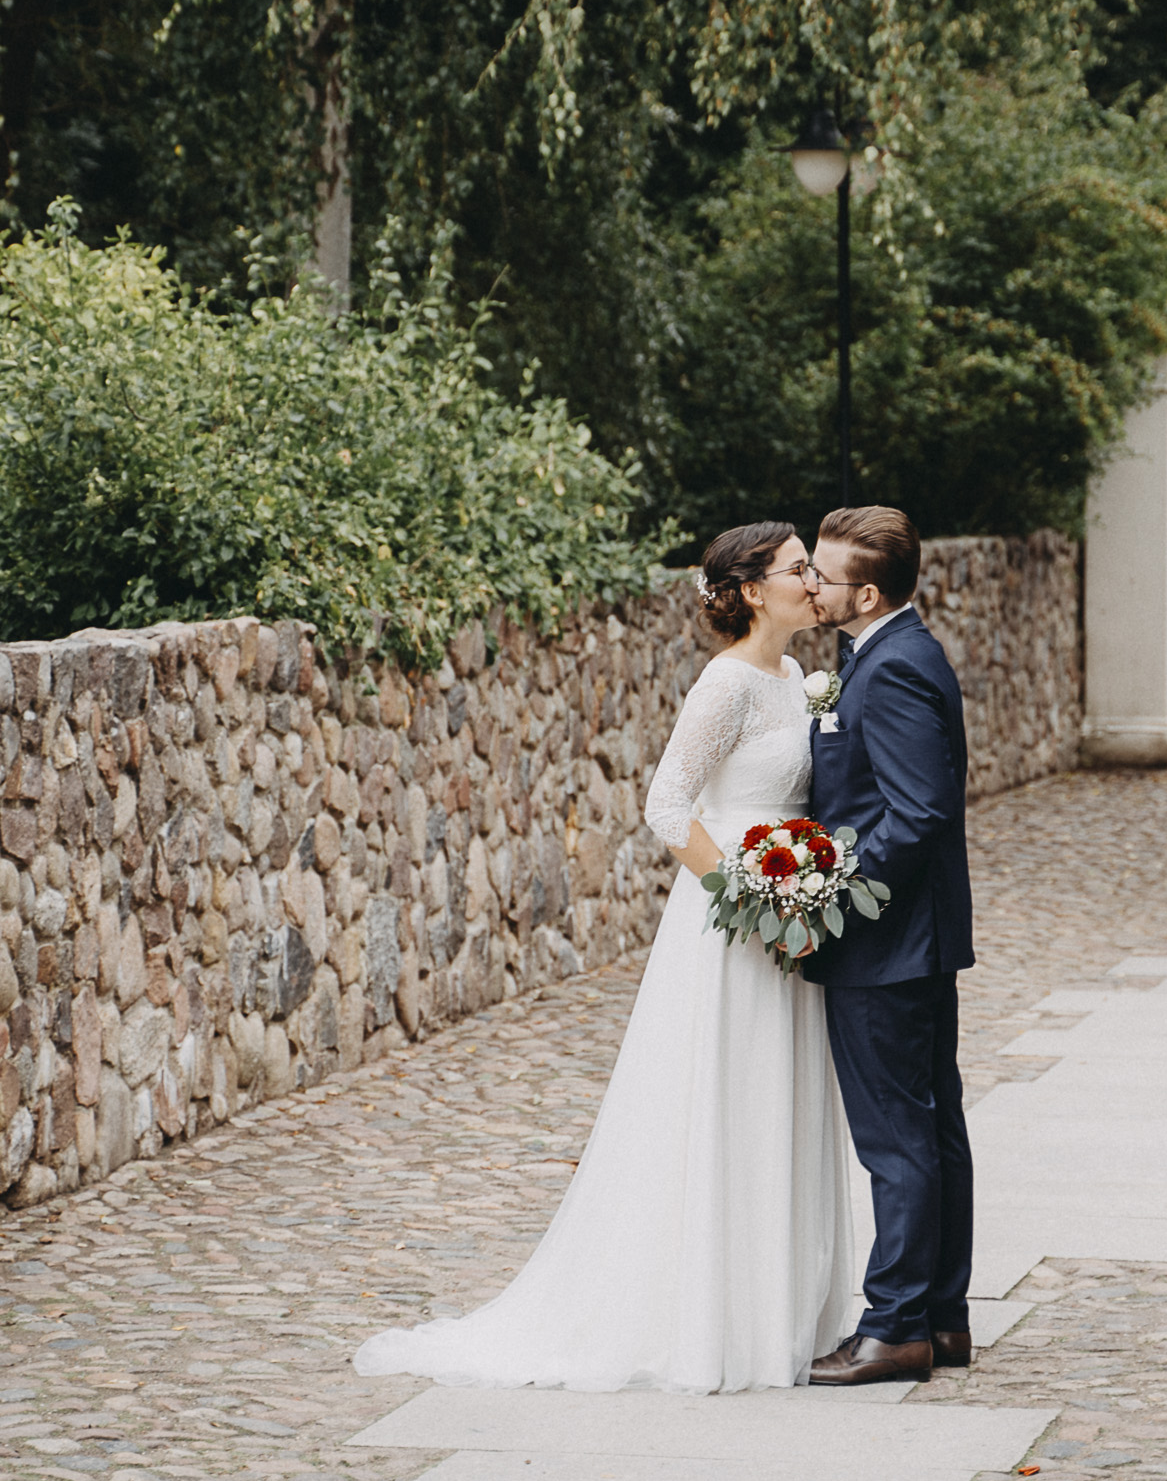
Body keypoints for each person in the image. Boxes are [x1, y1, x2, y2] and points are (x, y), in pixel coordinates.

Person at [351, 524, 862, 1393]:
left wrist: (807, 893)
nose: (812, 578)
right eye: (796, 568)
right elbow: (667, 807)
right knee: (721, 1100)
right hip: (733, 921)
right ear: (748, 591)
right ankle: (702, 1317)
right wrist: (752, 901)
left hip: (793, 911)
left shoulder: (797, 682)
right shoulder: (726, 684)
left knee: (778, 1100)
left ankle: (780, 1309)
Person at [800, 506, 976, 1387]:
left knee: (898, 1138)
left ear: (866, 592)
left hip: (887, 940)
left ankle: (896, 1326)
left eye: (823, 578)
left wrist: (827, 897)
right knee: (932, 1130)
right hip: (917, 938)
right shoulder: (884, 652)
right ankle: (942, 1319)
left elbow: (916, 814)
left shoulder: (896, 667)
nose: (810, 587)